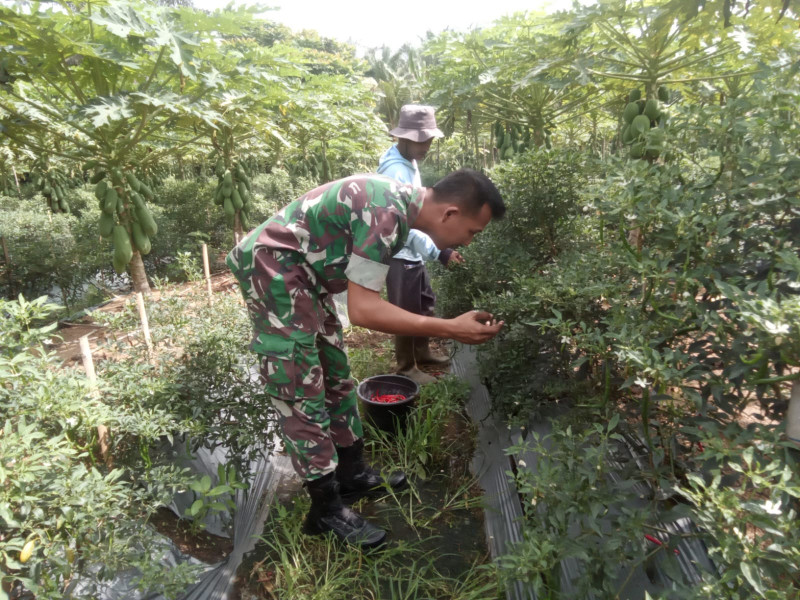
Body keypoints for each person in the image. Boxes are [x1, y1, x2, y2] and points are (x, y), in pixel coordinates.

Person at [226, 169, 505, 549]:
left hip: (306, 276)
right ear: (450, 214)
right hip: (274, 270)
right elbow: (364, 311)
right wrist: (449, 327)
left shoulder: (401, 211)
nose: (469, 242)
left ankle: (351, 474)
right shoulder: (386, 213)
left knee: (336, 374)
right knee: (301, 387)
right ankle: (324, 510)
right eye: (473, 232)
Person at [378, 104, 462, 385]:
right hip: (400, 253)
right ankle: (406, 367)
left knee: (424, 303)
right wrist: (440, 251)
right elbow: (406, 223)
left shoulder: (407, 160)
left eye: (429, 139)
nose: (426, 145)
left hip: (413, 253)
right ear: (403, 137)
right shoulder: (396, 173)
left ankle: (422, 352)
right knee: (404, 312)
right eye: (420, 140)